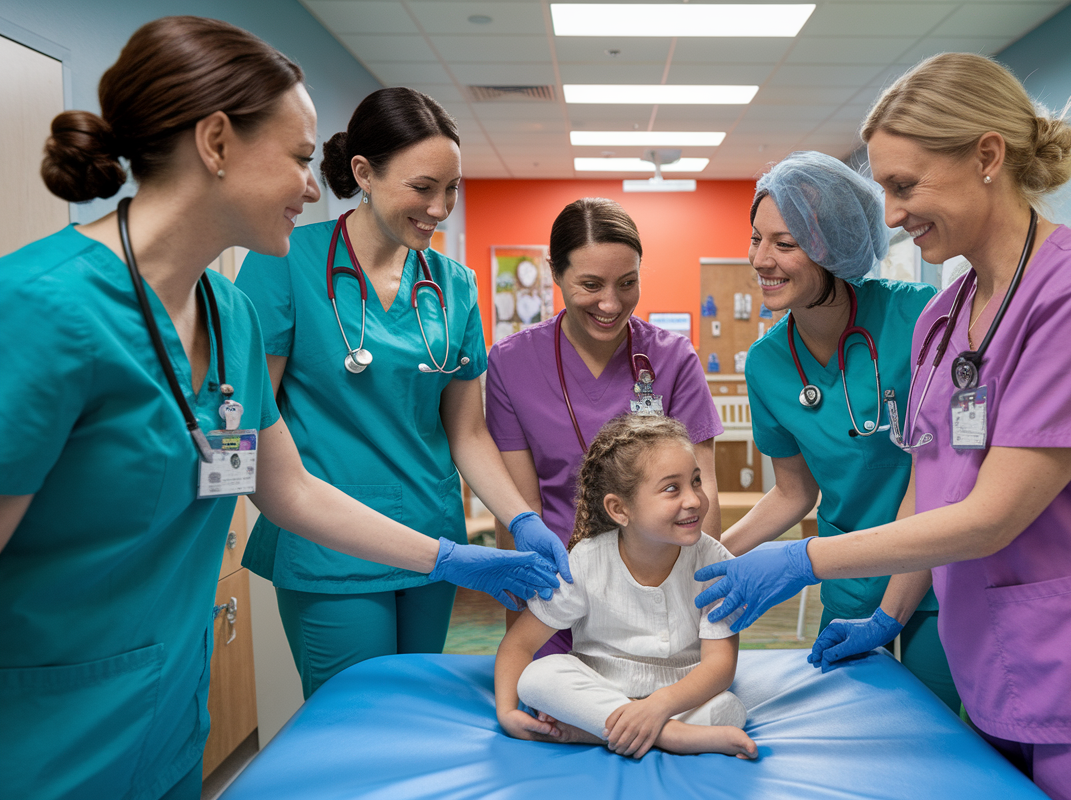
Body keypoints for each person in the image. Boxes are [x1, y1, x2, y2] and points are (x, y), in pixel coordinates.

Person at [0, 18, 556, 800]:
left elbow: (283, 487)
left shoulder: (226, 314)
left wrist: (455, 557)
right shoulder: (38, 309)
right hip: (43, 734)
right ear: (217, 142)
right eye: (299, 157)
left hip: (165, 717)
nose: (309, 184)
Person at [695, 53, 1071, 800]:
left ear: (987, 156)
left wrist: (805, 559)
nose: (893, 215)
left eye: (904, 187)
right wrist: (889, 613)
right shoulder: (946, 317)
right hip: (1000, 670)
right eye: (885, 190)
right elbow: (933, 480)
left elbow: (992, 514)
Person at [233, 87, 571, 698]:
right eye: (423, 188)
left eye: (452, 190)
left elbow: (466, 432)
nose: (440, 208)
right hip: (329, 543)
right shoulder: (286, 262)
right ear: (363, 172)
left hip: (432, 532)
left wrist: (520, 516)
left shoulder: (455, 284)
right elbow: (250, 424)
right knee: (356, 725)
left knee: (413, 716)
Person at [720, 151, 958, 712]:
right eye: (756, 239)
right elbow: (793, 492)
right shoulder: (767, 363)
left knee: (942, 746)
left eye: (784, 243)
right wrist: (715, 556)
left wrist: (893, 612)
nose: (760, 259)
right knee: (854, 736)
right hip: (846, 578)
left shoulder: (924, 320)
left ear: (833, 246)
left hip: (936, 585)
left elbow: (941, 483)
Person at [485, 198, 723, 657]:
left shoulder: (672, 360)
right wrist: (521, 620)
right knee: (554, 708)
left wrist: (699, 596)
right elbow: (516, 506)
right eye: (590, 285)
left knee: (663, 706)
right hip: (556, 584)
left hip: (659, 583)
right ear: (555, 272)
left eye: (628, 282)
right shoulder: (512, 363)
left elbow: (702, 488)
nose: (611, 303)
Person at [495, 415, 756, 760]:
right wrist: (507, 712)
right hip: (601, 688)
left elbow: (720, 667)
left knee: (728, 709)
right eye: (671, 488)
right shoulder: (588, 559)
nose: (694, 499)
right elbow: (519, 644)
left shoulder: (713, 560)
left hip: (681, 697)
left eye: (696, 481)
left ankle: (596, 732)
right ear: (619, 509)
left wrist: (660, 706)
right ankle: (671, 737)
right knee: (538, 677)